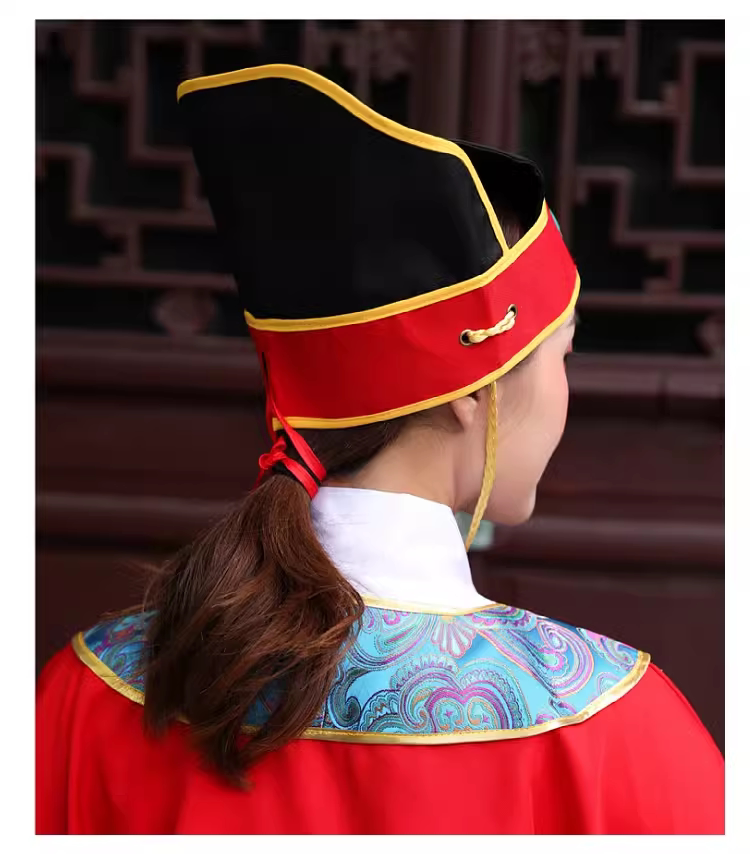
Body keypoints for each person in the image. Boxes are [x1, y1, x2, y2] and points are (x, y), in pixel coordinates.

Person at [36, 64, 724, 834]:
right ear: (473, 387)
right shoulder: (608, 727)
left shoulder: (93, 692)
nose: (568, 389)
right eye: (562, 354)